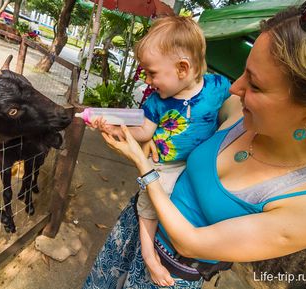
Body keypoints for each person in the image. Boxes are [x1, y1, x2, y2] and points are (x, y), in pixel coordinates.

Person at [83, 3, 306, 289]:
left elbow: (189, 243)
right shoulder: (239, 110)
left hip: (169, 273)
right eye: (244, 71)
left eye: (256, 86)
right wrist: (148, 134)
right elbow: (180, 112)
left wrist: (143, 164)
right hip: (134, 227)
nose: (235, 87)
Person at [91, 15, 233, 286]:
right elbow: (144, 131)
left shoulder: (217, 87)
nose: (147, 80)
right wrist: (113, 128)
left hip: (197, 166)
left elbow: (237, 99)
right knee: (149, 207)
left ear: (182, 68)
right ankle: (149, 256)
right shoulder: (157, 102)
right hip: (166, 167)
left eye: (152, 73)